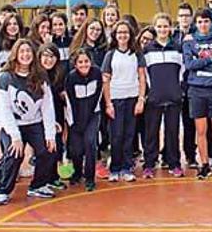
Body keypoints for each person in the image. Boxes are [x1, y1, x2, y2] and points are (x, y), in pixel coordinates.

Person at [0, 40, 57, 205]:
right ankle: (4, 190)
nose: (25, 55)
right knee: (15, 153)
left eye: (29, 52)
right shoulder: (5, 77)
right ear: (16, 54)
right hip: (11, 125)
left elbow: (47, 106)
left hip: (33, 122)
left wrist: (50, 133)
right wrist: (15, 136)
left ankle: (38, 185)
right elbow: (4, 109)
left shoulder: (41, 76)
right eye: (22, 51)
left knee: (48, 150)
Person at [183, 9, 212, 180]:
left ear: (211, 23)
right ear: (196, 23)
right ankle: (204, 164)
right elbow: (189, 64)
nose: (203, 24)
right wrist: (210, 59)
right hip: (196, 90)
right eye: (200, 21)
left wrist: (200, 61)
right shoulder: (189, 41)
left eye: (206, 21)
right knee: (200, 130)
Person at [101, 20, 146, 182]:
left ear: (130, 35)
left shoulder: (137, 54)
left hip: (132, 98)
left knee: (129, 135)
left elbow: (142, 77)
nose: (122, 35)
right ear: (115, 35)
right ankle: (115, 168)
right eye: (119, 32)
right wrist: (108, 103)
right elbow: (105, 80)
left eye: (125, 32)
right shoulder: (110, 55)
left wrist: (141, 99)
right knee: (116, 135)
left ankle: (127, 168)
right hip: (115, 99)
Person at [142, 13, 184, 178]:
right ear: (155, 28)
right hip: (154, 98)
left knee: (172, 132)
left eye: (165, 26)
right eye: (159, 26)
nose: (162, 29)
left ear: (171, 28)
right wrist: (149, 93)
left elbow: (183, 71)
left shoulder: (178, 48)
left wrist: (179, 90)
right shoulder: (147, 50)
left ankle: (174, 163)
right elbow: (144, 75)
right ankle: (149, 164)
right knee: (151, 132)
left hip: (173, 97)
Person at [173, 2, 208, 169]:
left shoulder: (198, 36)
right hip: (172, 86)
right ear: (177, 18)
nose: (184, 18)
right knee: (171, 124)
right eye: (181, 15)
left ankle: (190, 155)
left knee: (189, 123)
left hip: (192, 85)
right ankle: (168, 155)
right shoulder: (172, 36)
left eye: (187, 15)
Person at [65, 49, 103, 191]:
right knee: (76, 149)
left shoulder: (97, 73)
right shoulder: (71, 78)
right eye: (80, 62)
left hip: (93, 114)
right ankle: (77, 173)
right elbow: (70, 100)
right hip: (76, 117)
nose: (83, 64)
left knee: (90, 143)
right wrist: (73, 122)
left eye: (86, 61)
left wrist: (92, 115)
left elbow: (99, 93)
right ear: (75, 64)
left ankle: (89, 178)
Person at [38, 43, 68, 191]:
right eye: (45, 56)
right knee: (44, 148)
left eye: (52, 56)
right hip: (40, 116)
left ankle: (53, 177)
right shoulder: (36, 75)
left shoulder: (59, 74)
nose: (48, 60)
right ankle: (42, 179)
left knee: (57, 146)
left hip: (57, 114)